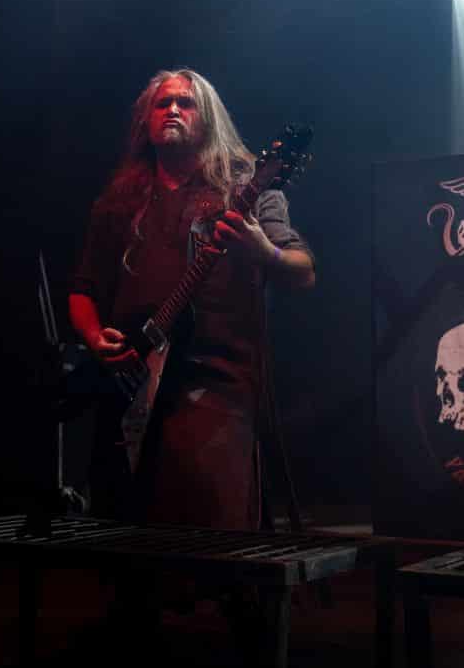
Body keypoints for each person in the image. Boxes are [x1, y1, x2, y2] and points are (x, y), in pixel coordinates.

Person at [68, 68, 315, 533]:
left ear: (209, 118)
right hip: (129, 385)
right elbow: (84, 289)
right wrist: (94, 338)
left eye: (186, 102)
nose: (173, 110)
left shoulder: (245, 185)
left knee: (207, 527)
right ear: (146, 120)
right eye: (163, 104)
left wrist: (265, 251)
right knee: (123, 528)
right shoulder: (122, 199)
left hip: (214, 386)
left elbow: (304, 271)